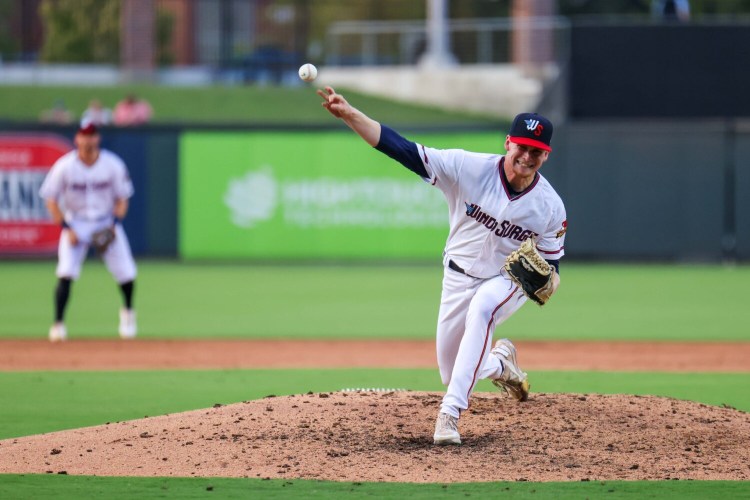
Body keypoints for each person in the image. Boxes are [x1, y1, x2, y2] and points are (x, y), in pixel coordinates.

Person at [316, 86, 567, 445]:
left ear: (546, 156)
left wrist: (552, 278)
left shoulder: (550, 206)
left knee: (483, 309)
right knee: (453, 370)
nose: (527, 156)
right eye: (522, 147)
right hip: (457, 276)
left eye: (537, 152)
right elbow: (402, 150)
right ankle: (501, 364)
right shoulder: (468, 167)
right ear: (508, 143)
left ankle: (448, 416)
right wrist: (351, 114)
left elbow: (552, 259)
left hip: (504, 279)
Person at [39, 120, 138, 341]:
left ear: (97, 139)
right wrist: (66, 228)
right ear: (77, 139)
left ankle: (128, 314)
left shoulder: (113, 164)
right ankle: (58, 324)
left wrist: (114, 225)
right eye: (84, 135)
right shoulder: (64, 166)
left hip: (106, 221)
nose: (88, 139)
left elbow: (123, 199)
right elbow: (50, 199)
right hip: (76, 222)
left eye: (92, 135)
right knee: (65, 272)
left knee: (127, 273)